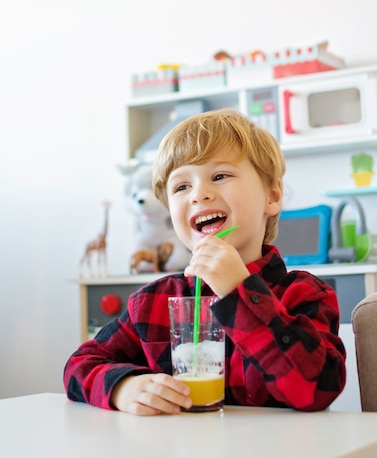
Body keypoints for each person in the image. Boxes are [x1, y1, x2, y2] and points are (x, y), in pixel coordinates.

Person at [64, 108, 346, 415]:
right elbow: (79, 366)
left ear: (272, 196)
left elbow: (316, 388)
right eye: (182, 187)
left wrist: (240, 290)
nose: (199, 195)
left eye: (220, 176)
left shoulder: (304, 295)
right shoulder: (152, 303)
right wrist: (123, 387)